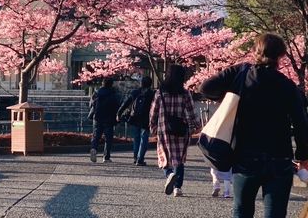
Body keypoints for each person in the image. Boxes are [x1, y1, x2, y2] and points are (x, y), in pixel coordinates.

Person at [199, 33, 308, 218]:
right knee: (275, 213)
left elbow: (206, 88)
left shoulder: (240, 73)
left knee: (242, 210)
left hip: (245, 157)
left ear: (255, 52)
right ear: (281, 56)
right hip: (279, 159)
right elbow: (301, 123)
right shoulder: (288, 86)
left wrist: (229, 97)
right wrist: (303, 156)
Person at [150, 64, 200, 197]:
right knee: (179, 158)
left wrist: (152, 126)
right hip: (181, 129)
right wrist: (196, 126)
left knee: (164, 155)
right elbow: (191, 112)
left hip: (164, 129)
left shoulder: (160, 93)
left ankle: (169, 174)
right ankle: (177, 187)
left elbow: (153, 112)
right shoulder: (185, 93)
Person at [117, 75, 155, 166]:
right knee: (144, 138)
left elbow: (126, 103)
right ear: (150, 84)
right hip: (147, 118)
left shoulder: (135, 92)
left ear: (141, 83)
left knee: (136, 137)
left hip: (135, 117)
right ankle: (140, 158)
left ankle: (135, 157)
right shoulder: (152, 94)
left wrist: (119, 113)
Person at [88, 77, 120, 163]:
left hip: (97, 118)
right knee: (108, 138)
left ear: (102, 83)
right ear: (111, 84)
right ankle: (106, 157)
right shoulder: (113, 93)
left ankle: (94, 148)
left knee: (96, 136)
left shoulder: (96, 93)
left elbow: (91, 105)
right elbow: (117, 106)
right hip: (109, 119)